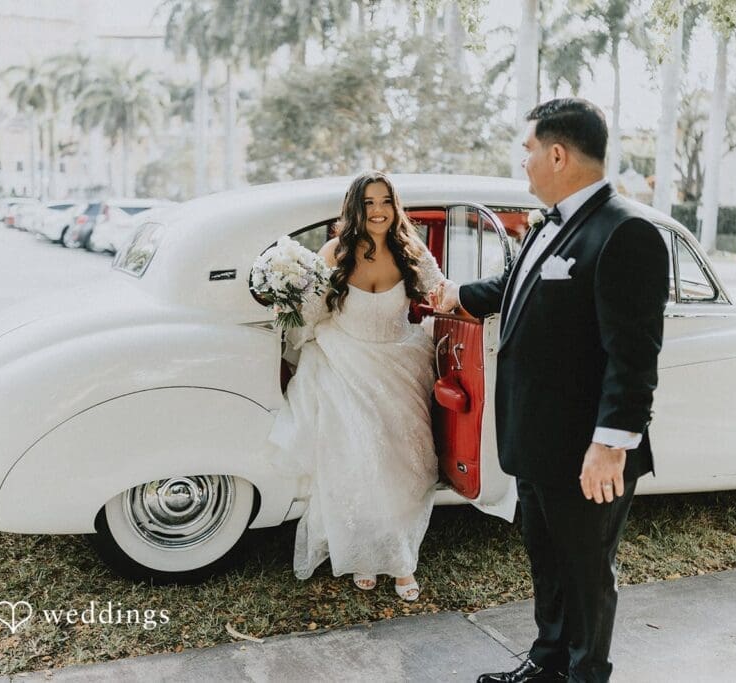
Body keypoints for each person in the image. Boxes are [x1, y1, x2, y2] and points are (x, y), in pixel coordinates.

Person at [436, 98, 669, 682]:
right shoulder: (552, 223)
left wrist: (611, 444)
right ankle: (547, 665)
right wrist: (454, 294)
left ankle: (587, 674)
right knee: (550, 564)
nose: (525, 163)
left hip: (586, 451)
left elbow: (633, 354)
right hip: (538, 441)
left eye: (529, 150)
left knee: (587, 574)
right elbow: (515, 287)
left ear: (558, 153)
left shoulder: (627, 230)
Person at [269, 171, 444, 602]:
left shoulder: (410, 250)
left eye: (385, 201)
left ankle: (402, 558)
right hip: (344, 361)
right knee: (358, 460)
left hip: (400, 362)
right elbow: (311, 313)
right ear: (354, 208)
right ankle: (363, 554)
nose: (379, 210)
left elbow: (441, 292)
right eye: (368, 203)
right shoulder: (335, 252)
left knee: (406, 464)